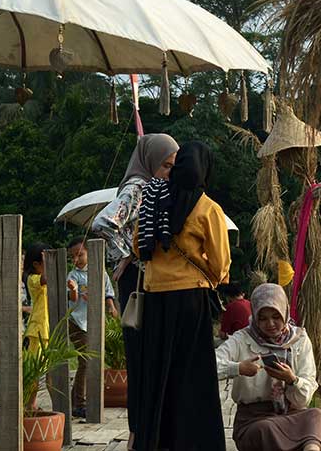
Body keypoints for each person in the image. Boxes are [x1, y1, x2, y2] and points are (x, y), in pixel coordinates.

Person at [135, 141, 231, 451]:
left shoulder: (153, 200)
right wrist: (211, 277)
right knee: (193, 373)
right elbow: (220, 262)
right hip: (191, 300)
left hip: (155, 299)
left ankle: (156, 441)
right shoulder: (207, 207)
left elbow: (139, 247)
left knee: (157, 370)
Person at [91, 133, 178, 443]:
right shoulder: (138, 188)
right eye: (166, 165)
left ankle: (141, 433)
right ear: (151, 161)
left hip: (141, 278)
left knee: (146, 357)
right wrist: (127, 254)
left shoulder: (152, 189)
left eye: (173, 166)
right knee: (143, 357)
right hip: (138, 281)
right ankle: (138, 434)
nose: (170, 172)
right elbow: (102, 224)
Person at [215, 283, 321, 451]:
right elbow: (208, 365)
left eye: (276, 316)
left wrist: (292, 379)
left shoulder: (299, 339)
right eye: (263, 318)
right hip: (253, 419)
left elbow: (303, 399)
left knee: (315, 415)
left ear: (285, 312)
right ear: (254, 316)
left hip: (291, 414)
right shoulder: (242, 339)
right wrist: (238, 368)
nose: (270, 324)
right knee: (265, 429)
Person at [66, 236, 118, 419]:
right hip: (76, 321)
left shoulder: (100, 272)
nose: (76, 259)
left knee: (90, 362)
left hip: (94, 322)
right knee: (86, 361)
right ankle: (80, 403)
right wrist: (76, 292)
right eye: (73, 256)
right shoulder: (73, 275)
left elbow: (108, 293)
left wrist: (111, 307)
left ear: (89, 253)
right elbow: (71, 298)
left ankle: (76, 400)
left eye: (80, 255)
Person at [23, 242, 58, 409]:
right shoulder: (33, 279)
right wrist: (48, 264)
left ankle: (57, 405)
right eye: (46, 262)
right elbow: (45, 279)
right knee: (35, 372)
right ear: (36, 264)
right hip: (38, 330)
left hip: (49, 328)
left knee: (53, 371)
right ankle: (30, 405)